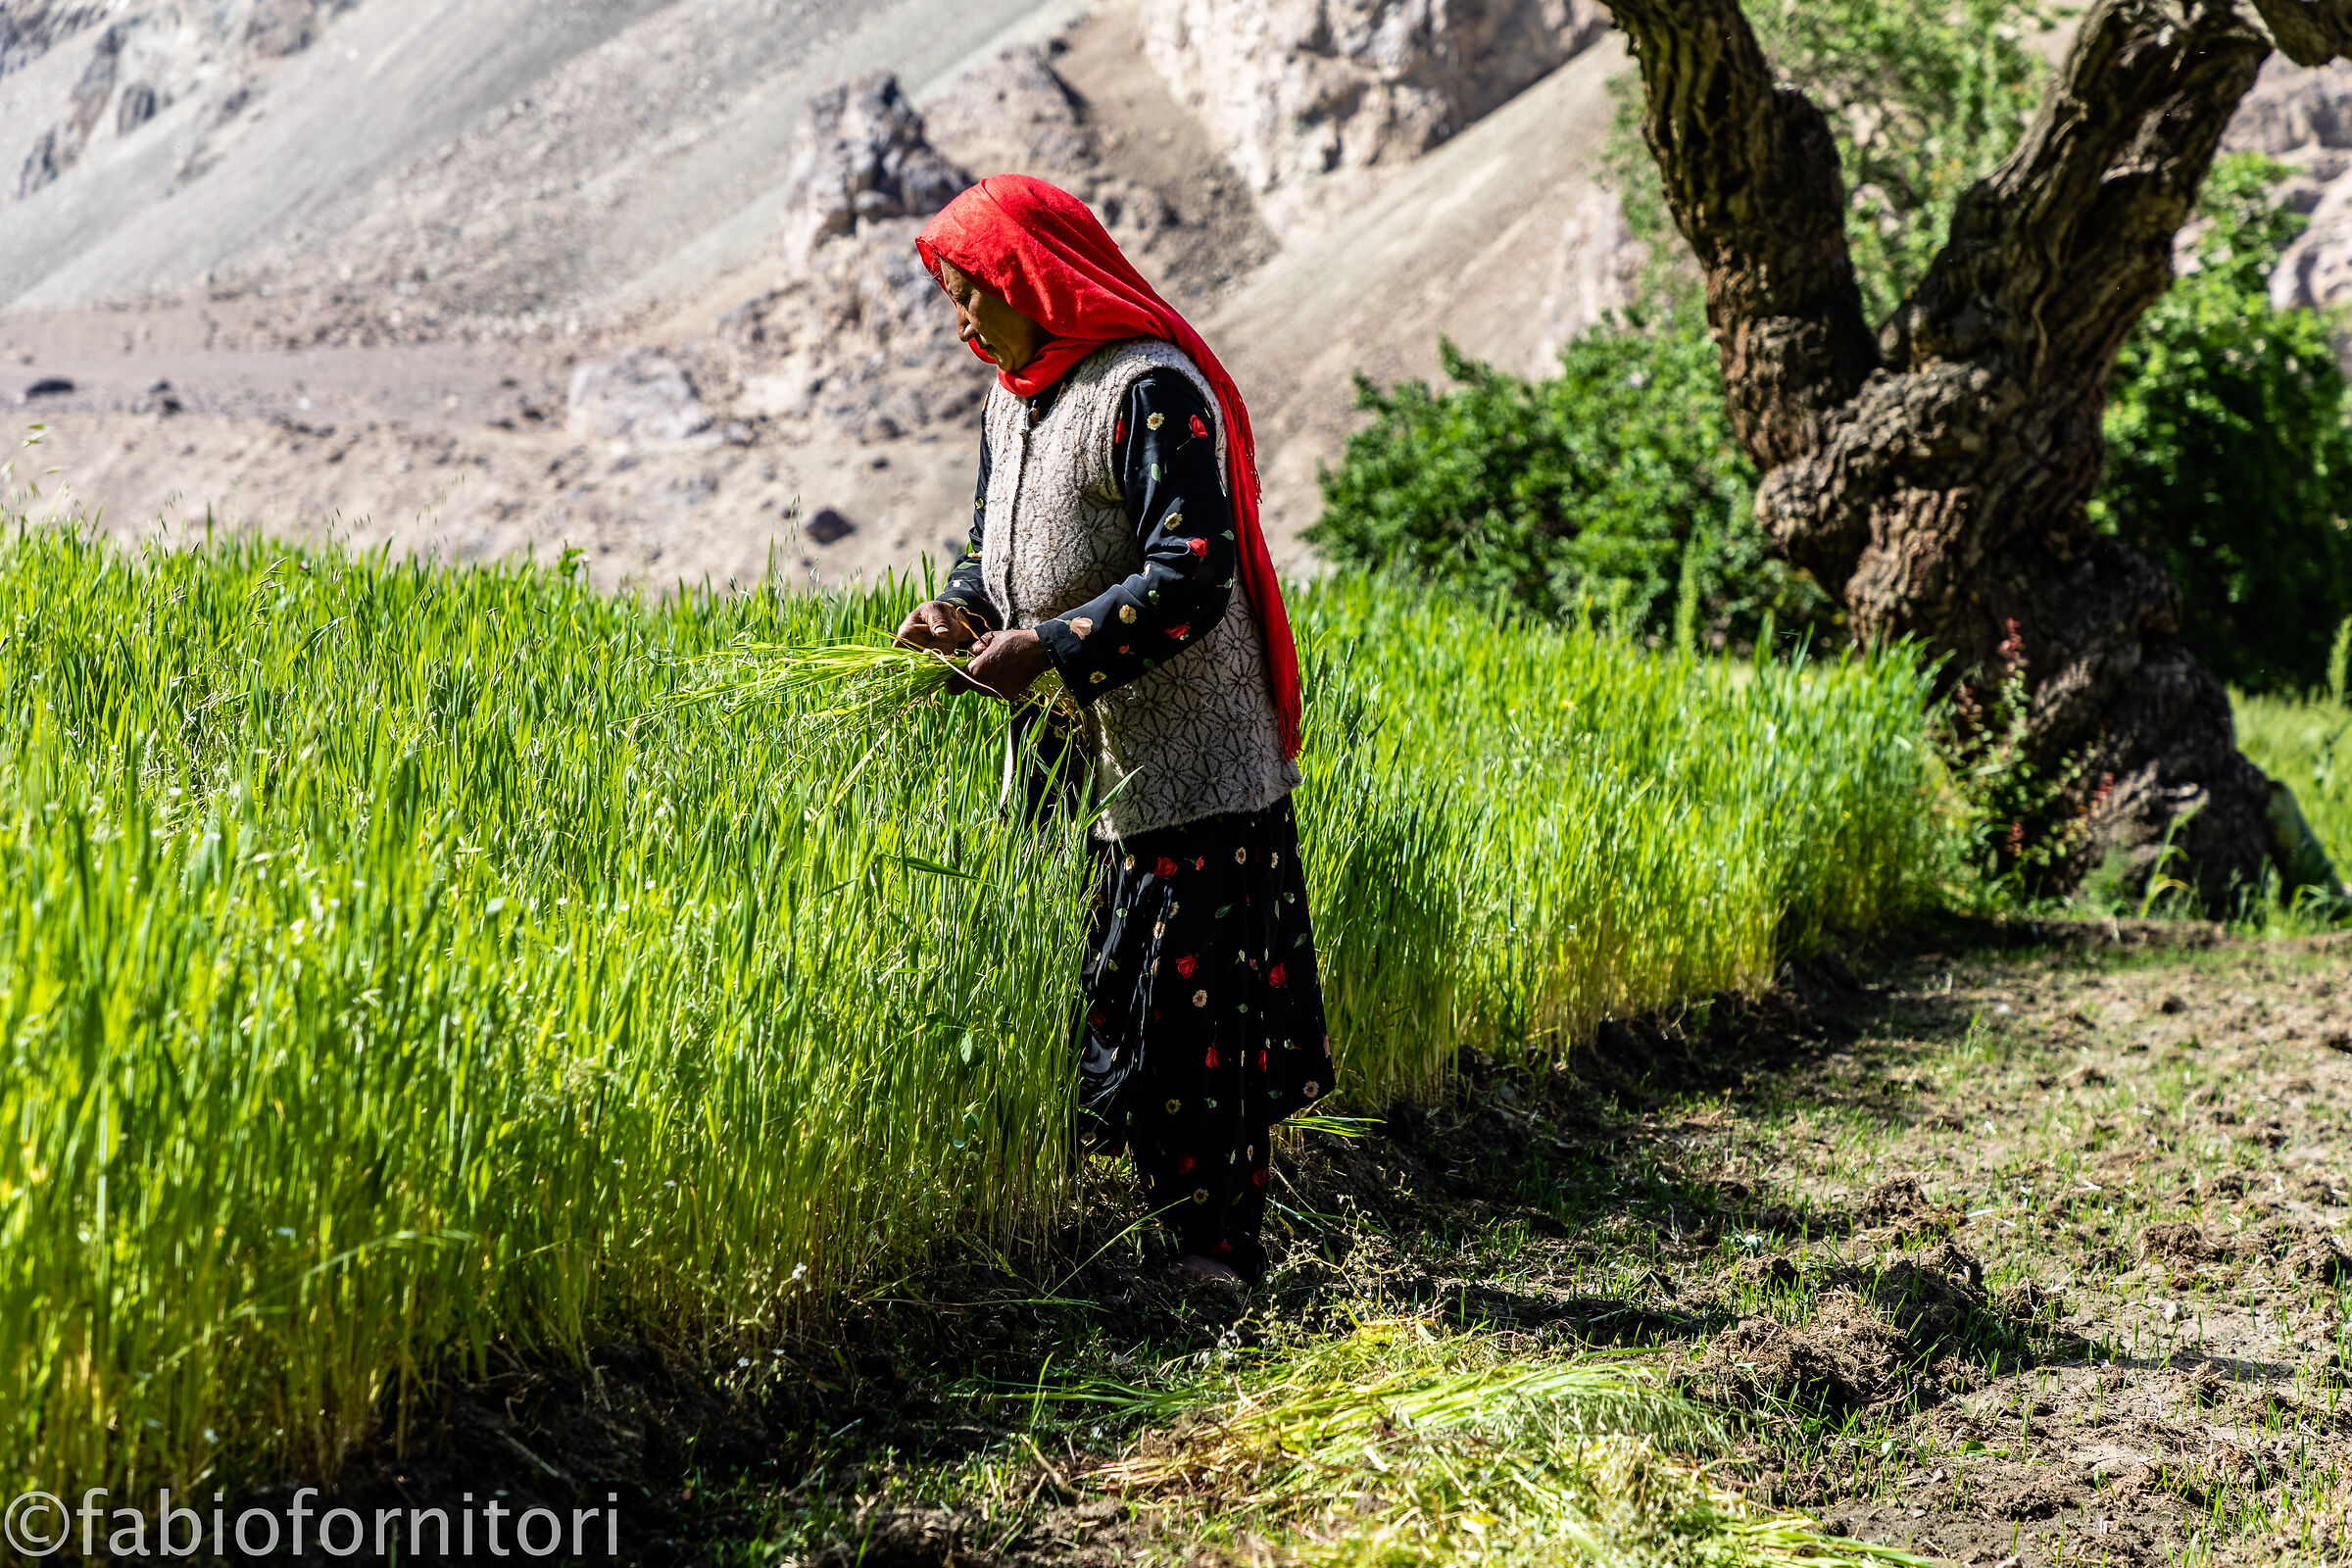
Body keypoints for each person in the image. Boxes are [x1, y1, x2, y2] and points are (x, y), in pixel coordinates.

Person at [895, 175, 1334, 1288]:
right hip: (1080, 768)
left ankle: (1220, 1256)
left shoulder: (1151, 391)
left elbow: (1191, 572)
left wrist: (1047, 648)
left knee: (1194, 1024)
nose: (961, 321)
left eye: (968, 294)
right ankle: (1151, 1232)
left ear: (1026, 280)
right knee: (1105, 999)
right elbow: (989, 548)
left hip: (1187, 762)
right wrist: (964, 612)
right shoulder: (1015, 397)